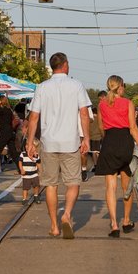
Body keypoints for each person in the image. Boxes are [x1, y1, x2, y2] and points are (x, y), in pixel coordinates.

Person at [25, 53, 91, 238]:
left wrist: (30, 143)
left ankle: (54, 225)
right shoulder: (76, 85)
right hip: (70, 142)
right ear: (65, 65)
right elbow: (84, 113)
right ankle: (67, 214)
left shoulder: (42, 87)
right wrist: (86, 138)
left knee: (51, 185)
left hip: (49, 143)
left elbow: (34, 117)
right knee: (73, 183)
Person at [95, 76, 138, 237]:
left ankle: (114, 224)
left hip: (109, 141)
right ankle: (126, 221)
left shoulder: (101, 105)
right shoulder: (128, 103)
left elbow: (101, 127)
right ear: (121, 87)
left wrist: (106, 139)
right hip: (125, 143)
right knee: (127, 186)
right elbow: (133, 127)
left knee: (110, 186)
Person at [0, 97, 19, 176]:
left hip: (4, 133)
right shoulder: (9, 110)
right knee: (13, 152)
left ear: (0, 101)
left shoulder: (2, 110)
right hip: (10, 132)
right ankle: (20, 168)